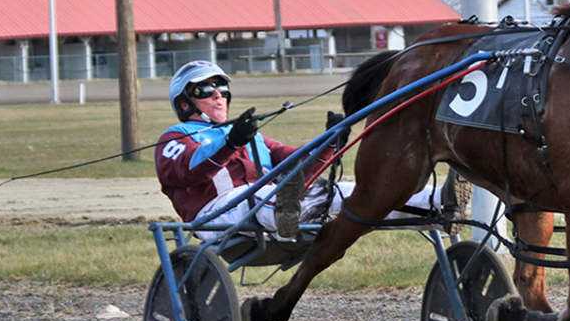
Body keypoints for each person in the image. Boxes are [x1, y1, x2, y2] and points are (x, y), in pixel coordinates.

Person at [154, 60, 470, 239]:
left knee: (351, 190)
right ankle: (287, 209)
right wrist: (230, 143)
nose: (218, 95)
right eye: (205, 90)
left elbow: (299, 161)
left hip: (268, 203)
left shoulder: (254, 138)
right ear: (184, 103)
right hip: (216, 216)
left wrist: (329, 142)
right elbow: (187, 170)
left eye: (222, 88)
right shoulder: (175, 138)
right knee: (263, 196)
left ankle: (438, 203)